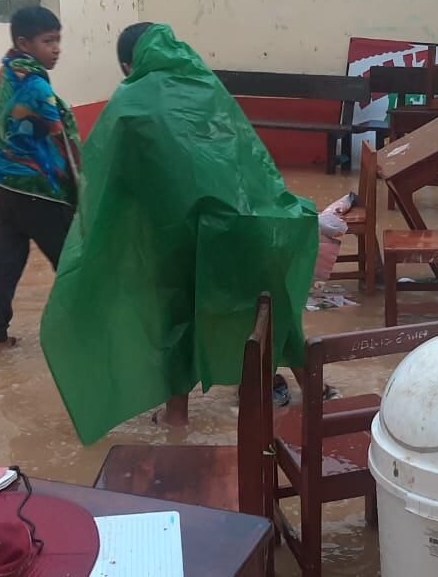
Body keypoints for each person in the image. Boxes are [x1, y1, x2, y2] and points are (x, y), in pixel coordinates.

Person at [40, 23, 319, 444]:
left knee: (177, 321)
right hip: (243, 226)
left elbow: (104, 183)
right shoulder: (206, 87)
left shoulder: (129, 102)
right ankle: (320, 396)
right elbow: (251, 161)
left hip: (176, 239)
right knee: (272, 309)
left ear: (127, 64)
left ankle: (177, 425)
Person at [0, 6, 81, 350]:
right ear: (24, 43)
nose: (56, 48)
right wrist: (80, 188)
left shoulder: (4, 74)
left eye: (58, 40)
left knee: (6, 263)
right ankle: (82, 330)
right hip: (37, 191)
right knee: (71, 262)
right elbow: (61, 142)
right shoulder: (35, 86)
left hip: (2, 186)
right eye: (48, 41)